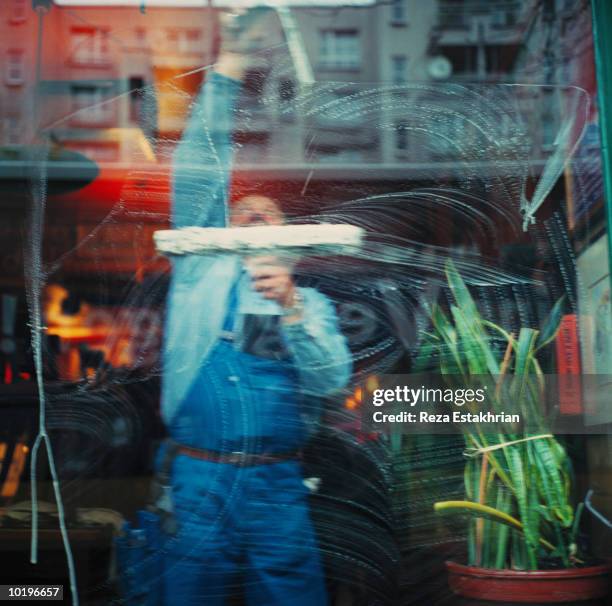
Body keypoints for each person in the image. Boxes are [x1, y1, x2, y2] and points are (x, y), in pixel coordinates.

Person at [158, 12, 352, 606]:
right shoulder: (200, 273)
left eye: (270, 216)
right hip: (200, 478)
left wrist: (291, 308)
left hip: (277, 482)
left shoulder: (311, 304)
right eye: (242, 213)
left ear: (293, 244)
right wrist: (231, 65)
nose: (254, 217)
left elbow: (333, 379)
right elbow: (199, 166)